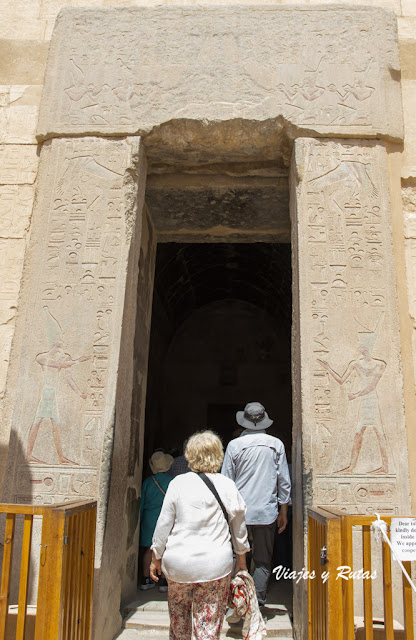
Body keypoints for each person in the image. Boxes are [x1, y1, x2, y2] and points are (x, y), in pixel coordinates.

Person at [150, 430, 250, 640]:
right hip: (214, 564)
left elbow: (163, 525)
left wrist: (156, 556)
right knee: (208, 624)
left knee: (179, 622)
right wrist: (241, 560)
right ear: (218, 455)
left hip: (179, 564)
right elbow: (239, 528)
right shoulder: (227, 485)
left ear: (190, 455)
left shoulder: (178, 483)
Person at [222, 402, 291, 608]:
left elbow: (226, 480)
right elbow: (284, 481)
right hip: (265, 511)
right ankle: (257, 603)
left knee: (236, 555)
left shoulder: (234, 445)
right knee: (262, 559)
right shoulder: (276, 444)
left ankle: (235, 602)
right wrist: (283, 510)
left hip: (239, 511)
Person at [139, 450, 173, 591]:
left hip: (149, 517)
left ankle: (146, 578)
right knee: (165, 548)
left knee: (149, 548)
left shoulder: (147, 482)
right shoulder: (171, 482)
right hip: (166, 517)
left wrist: (140, 519)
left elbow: (142, 502)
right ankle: (164, 580)